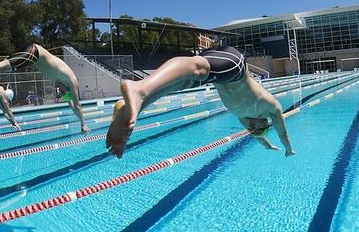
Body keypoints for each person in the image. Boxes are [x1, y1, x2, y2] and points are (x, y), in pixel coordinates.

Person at [107, 46, 296, 159]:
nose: (251, 129)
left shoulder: (242, 117)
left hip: (218, 76)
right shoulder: (269, 107)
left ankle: (128, 108)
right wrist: (288, 149)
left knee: (179, 83)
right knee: (197, 67)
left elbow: (258, 136)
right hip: (234, 66)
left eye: (251, 131)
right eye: (256, 128)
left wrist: (267, 145)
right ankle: (139, 89)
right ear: (263, 121)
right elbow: (282, 131)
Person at [0, 44, 89, 133]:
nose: (62, 92)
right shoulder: (72, 80)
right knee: (0, 67)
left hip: (33, 54)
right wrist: (83, 123)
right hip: (34, 53)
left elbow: (71, 103)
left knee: (1, 67)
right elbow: (76, 104)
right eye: (66, 93)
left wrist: (79, 120)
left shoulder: (64, 81)